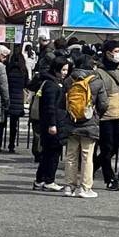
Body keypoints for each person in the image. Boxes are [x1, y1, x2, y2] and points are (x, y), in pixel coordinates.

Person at [63, 52, 109, 198]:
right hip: (89, 122)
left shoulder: (69, 80)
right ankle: (85, 188)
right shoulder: (97, 81)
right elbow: (104, 104)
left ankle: (69, 187)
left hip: (72, 121)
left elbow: (62, 102)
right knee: (87, 156)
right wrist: (96, 115)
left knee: (71, 155)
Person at [95, 39, 119, 192]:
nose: (118, 54)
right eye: (115, 51)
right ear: (107, 53)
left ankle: (91, 166)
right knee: (107, 146)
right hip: (105, 115)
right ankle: (110, 178)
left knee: (115, 146)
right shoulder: (99, 72)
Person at [35, 55, 71, 192]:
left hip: (52, 121)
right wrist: (52, 124)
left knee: (48, 153)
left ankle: (40, 180)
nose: (65, 72)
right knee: (53, 153)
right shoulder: (52, 85)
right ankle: (49, 180)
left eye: (66, 70)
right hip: (53, 122)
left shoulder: (51, 82)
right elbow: (50, 107)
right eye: (62, 70)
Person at [4, 45, 29, 154]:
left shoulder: (8, 69)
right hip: (18, 99)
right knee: (14, 125)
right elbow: (26, 84)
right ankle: (11, 145)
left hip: (8, 98)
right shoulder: (23, 71)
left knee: (2, 123)